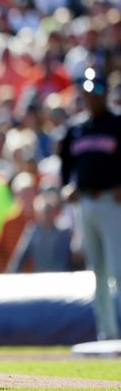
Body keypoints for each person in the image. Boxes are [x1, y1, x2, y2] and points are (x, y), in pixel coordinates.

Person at [59, 68, 121, 340]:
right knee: (97, 272)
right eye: (87, 91)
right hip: (85, 204)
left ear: (106, 92)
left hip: (113, 203)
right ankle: (107, 333)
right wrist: (67, 187)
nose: (91, 96)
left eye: (96, 90)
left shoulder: (118, 124)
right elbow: (66, 166)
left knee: (119, 269)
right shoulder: (76, 129)